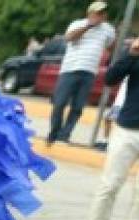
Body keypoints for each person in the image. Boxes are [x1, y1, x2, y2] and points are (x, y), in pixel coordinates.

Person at [78, 40, 139, 220]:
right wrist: (132, 53)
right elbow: (110, 78)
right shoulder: (136, 53)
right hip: (127, 129)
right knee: (109, 185)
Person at [48, 2, 116, 146]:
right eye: (97, 13)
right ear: (89, 13)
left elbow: (111, 46)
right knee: (59, 103)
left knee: (78, 107)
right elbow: (69, 38)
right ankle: (54, 132)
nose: (100, 16)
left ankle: (64, 135)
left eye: (103, 13)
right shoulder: (77, 24)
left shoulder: (108, 30)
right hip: (70, 69)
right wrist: (88, 26)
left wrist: (107, 59)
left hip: (90, 71)